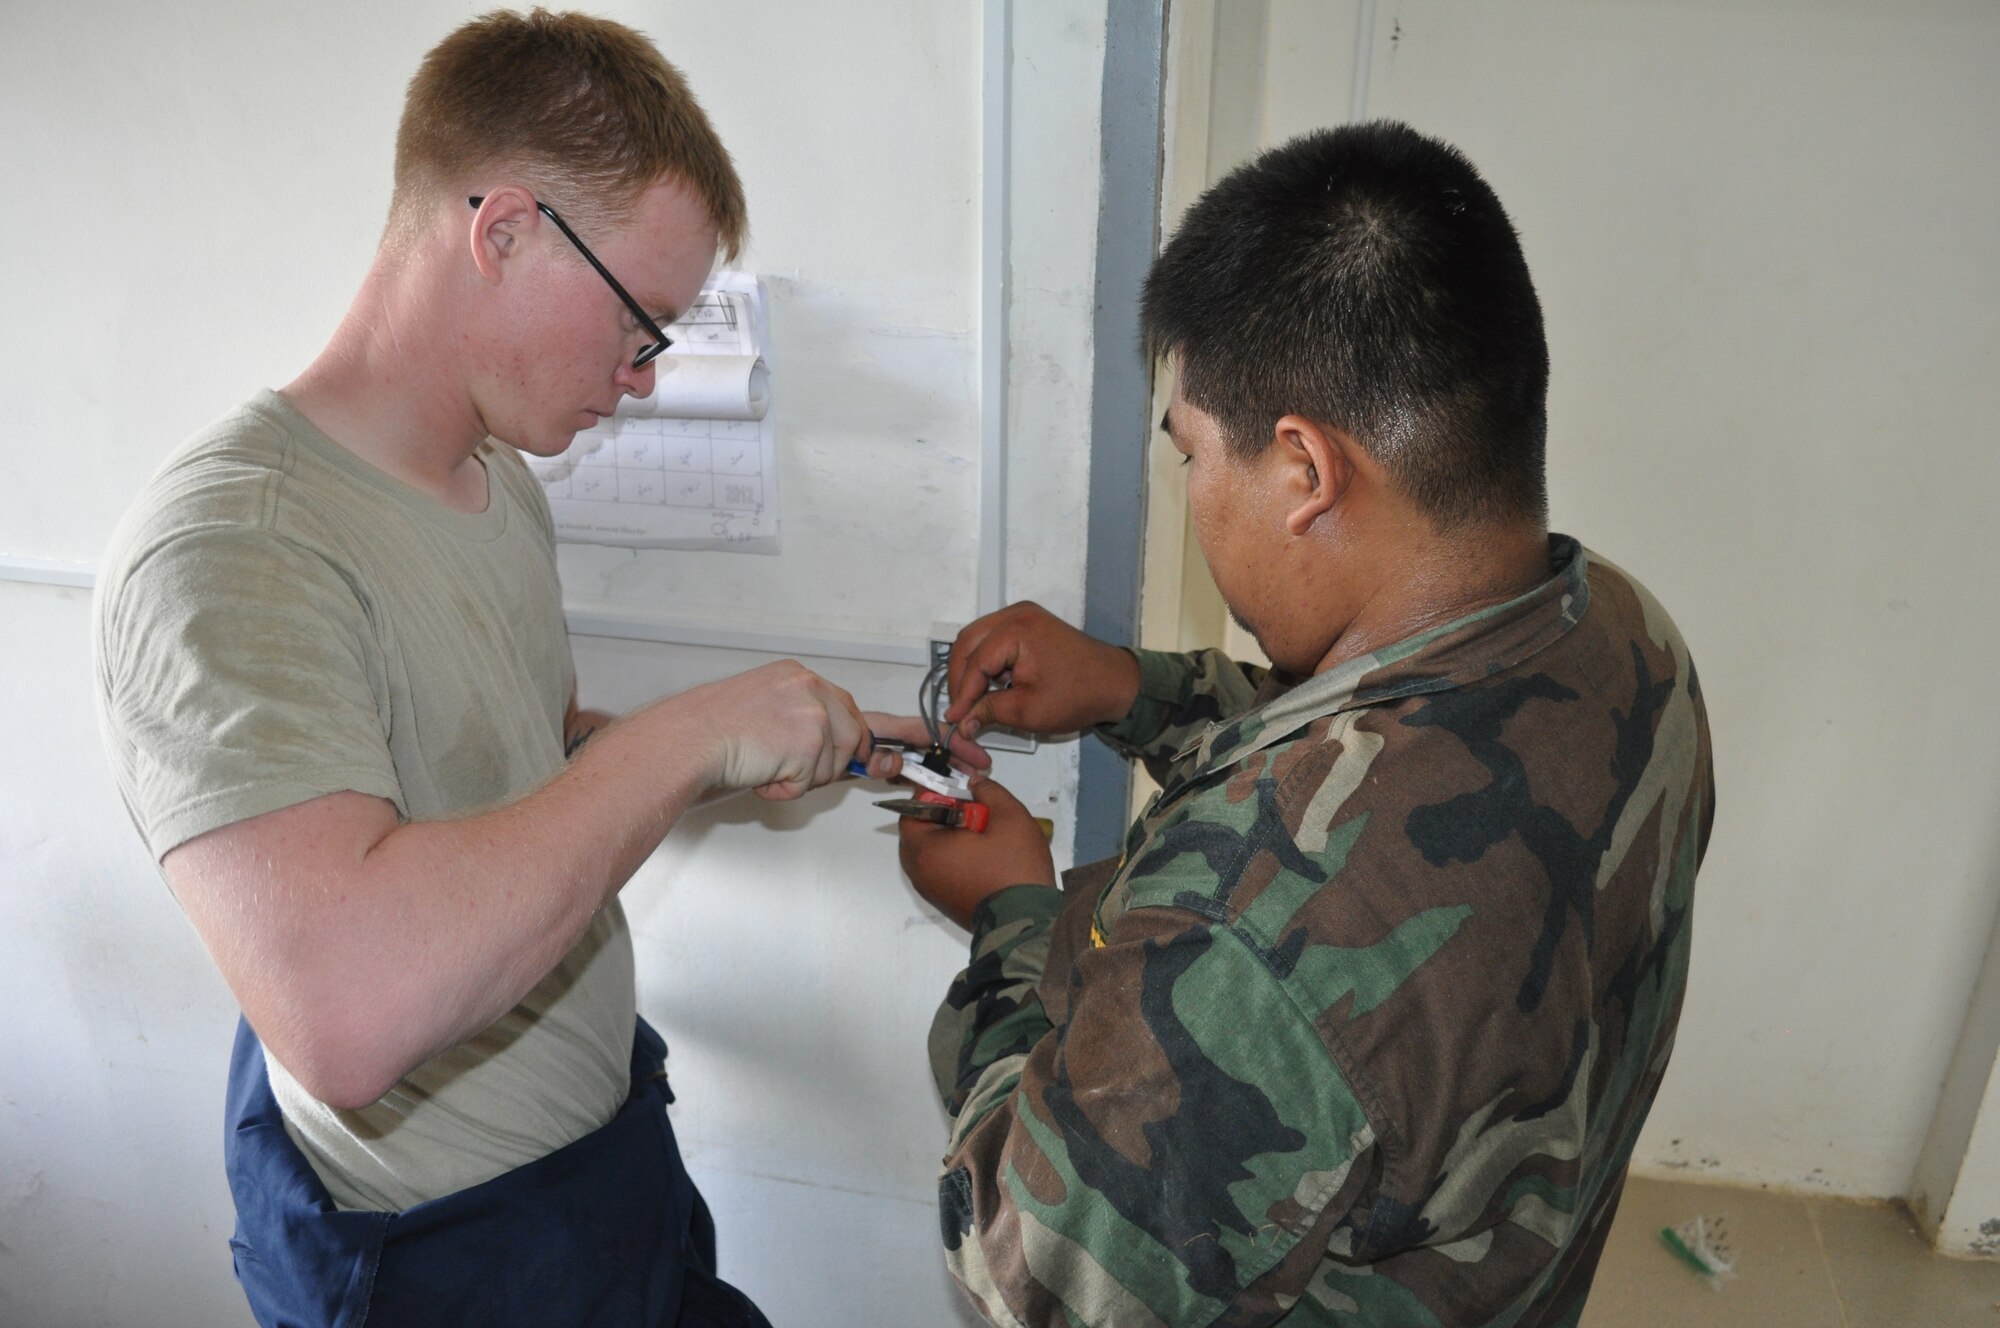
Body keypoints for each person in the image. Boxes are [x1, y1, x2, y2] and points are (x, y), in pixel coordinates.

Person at [92, 11, 944, 1325]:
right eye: (640, 323)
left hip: (602, 1149)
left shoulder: (497, 483)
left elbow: (520, 773)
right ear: (502, 232)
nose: (644, 380)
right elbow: (347, 1011)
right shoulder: (229, 546)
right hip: (441, 1250)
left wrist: (764, 737)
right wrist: (687, 737)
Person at [898, 121, 1715, 1327]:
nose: (1189, 493)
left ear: (1301, 471)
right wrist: (1132, 688)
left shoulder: (1246, 941)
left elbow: (1025, 1268)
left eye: (1187, 453)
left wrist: (1010, 913)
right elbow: (1407, 753)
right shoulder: (1622, 641)